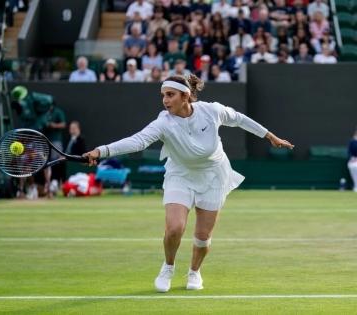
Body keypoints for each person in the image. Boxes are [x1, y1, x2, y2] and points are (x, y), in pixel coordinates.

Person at [82, 74, 294, 292]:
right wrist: (101, 151)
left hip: (214, 175)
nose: (165, 100)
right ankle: (168, 267)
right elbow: (138, 141)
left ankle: (194, 272)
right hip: (180, 175)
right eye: (163, 95)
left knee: (203, 238)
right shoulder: (163, 122)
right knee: (175, 228)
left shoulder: (211, 111)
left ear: (185, 96)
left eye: (170, 95)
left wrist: (269, 136)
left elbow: (239, 118)